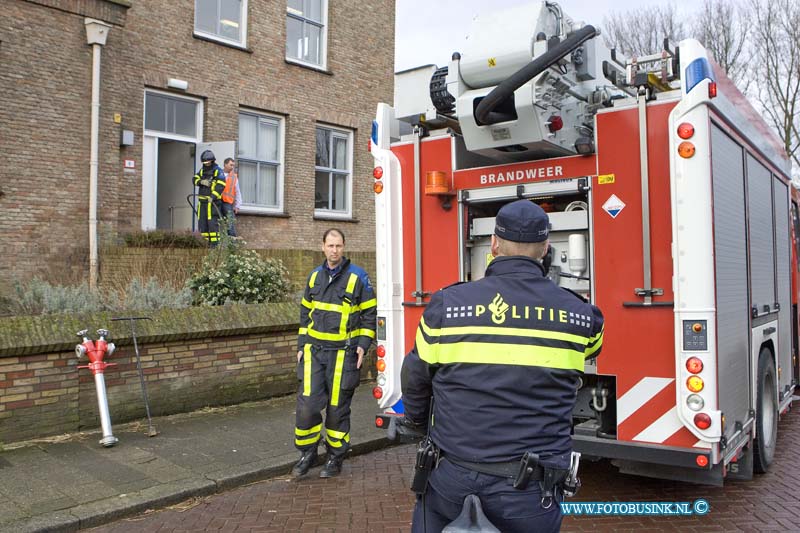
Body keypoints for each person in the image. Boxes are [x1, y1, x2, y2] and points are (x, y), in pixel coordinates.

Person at [399, 199, 604, 533]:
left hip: (452, 479)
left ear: (493, 245)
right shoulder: (580, 314)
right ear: (545, 249)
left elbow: (415, 377)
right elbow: (592, 348)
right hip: (530, 492)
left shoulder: (447, 307)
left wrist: (417, 423)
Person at [292, 229, 377, 478]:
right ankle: (307, 453)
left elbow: (369, 314)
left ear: (344, 247)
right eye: (330, 245)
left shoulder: (358, 277)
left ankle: (335, 456)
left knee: (337, 409)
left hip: (343, 355)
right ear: (323, 247)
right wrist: (300, 345)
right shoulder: (314, 277)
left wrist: (363, 344)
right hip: (313, 353)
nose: (334, 250)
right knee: (307, 406)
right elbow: (304, 314)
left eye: (338, 246)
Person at [192, 150, 226, 246]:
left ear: (212, 161)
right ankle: (204, 245)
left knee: (213, 225)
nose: (205, 164)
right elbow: (194, 179)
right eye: (204, 162)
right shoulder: (202, 171)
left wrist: (213, 196)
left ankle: (214, 246)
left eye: (207, 162)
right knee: (202, 225)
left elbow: (221, 185)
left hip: (213, 203)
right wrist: (201, 182)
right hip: (202, 203)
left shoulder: (218, 171)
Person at [221, 157, 241, 237]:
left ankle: (232, 241)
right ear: (225, 164)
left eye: (233, 165)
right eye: (231, 165)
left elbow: (238, 192)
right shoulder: (218, 174)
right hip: (216, 201)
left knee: (230, 223)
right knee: (215, 222)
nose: (232, 167)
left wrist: (237, 206)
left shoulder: (234, 177)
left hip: (227, 203)